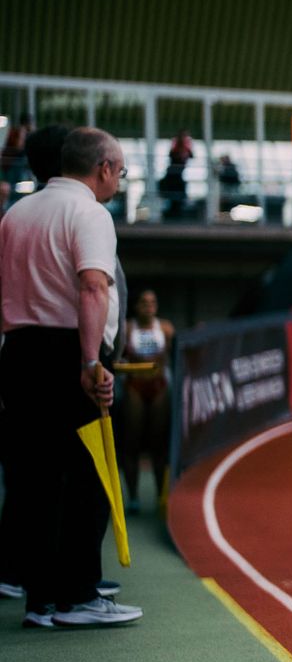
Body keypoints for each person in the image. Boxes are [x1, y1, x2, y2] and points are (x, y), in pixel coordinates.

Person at [0, 127, 140, 628]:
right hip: (69, 354)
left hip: (18, 353)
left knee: (32, 479)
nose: (119, 181)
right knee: (88, 475)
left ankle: (41, 600)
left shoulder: (17, 213)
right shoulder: (90, 213)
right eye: (120, 172)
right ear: (101, 168)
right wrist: (89, 362)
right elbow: (92, 288)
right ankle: (78, 595)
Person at [114, 290, 173, 512]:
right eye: (144, 302)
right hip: (135, 387)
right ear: (136, 306)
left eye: (152, 302)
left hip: (158, 387)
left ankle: (161, 495)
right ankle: (134, 497)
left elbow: (177, 353)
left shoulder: (165, 328)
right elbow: (118, 354)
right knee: (132, 442)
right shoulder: (129, 329)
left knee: (159, 443)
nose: (148, 305)